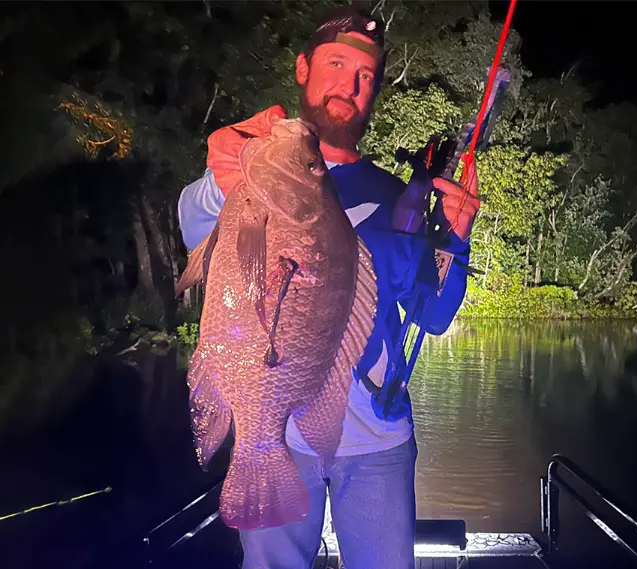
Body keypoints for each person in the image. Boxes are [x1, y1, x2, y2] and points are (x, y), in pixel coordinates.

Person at [177, 6, 480, 569]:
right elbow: (194, 225)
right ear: (302, 68)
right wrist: (227, 175)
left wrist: (455, 241)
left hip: (378, 443)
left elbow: (433, 315)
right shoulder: (251, 170)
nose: (351, 84)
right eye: (337, 63)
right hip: (279, 430)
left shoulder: (397, 198)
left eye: (366, 76)